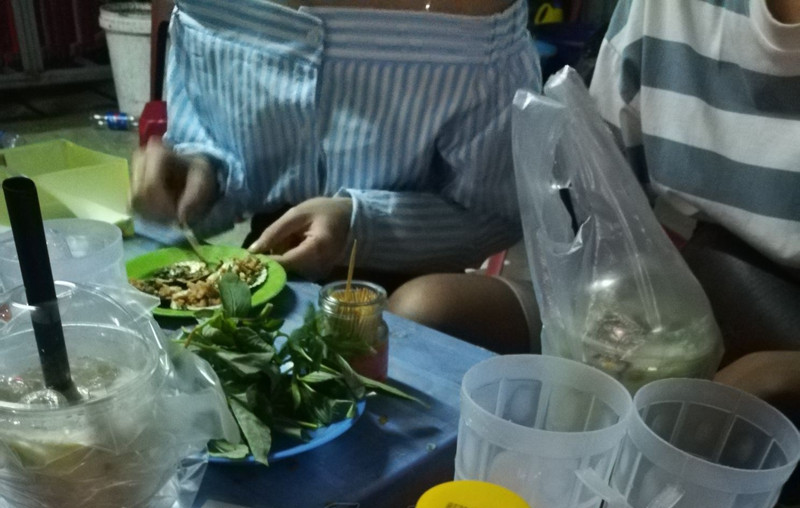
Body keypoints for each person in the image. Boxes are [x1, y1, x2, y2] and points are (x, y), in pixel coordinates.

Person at [392, 0, 800, 404]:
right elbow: (603, 201)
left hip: (780, 344)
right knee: (429, 314)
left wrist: (778, 373)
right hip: (656, 298)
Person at [130, 0, 540, 300]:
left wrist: (359, 226)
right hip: (269, 275)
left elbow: (496, 213)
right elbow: (210, 139)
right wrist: (201, 171)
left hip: (416, 291)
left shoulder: (474, 18)